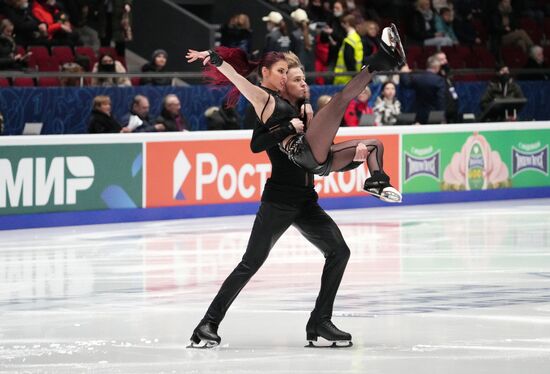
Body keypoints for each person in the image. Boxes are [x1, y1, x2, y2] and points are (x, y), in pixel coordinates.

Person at [185, 24, 405, 348]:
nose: (295, 79)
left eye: (296, 74)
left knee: (339, 251)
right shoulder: (268, 103)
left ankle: (319, 322)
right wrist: (216, 58)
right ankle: (207, 324)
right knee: (251, 262)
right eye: (286, 73)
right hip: (279, 201)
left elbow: (321, 162)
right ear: (274, 78)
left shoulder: (304, 110)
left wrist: (353, 159)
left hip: (306, 199)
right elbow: (238, 81)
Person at [399, 55, 447, 124]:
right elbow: (441, 100)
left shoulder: (417, 77)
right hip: (434, 115)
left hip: (418, 114)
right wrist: (442, 116)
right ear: (437, 67)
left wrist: (404, 72)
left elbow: (406, 83)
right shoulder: (439, 80)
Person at [333, 14, 363, 85]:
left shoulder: (349, 40)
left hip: (344, 78)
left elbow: (349, 60)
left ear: (347, 23)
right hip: (353, 76)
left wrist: (354, 77)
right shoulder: (357, 38)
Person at [434, 51, 460, 123]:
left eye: (445, 59)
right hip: (441, 113)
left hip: (453, 111)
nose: (445, 61)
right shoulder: (435, 78)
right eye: (441, 60)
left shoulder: (449, 75)